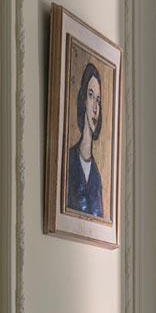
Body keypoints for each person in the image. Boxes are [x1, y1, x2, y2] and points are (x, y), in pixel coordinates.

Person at [65, 62, 104, 218]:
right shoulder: (69, 160)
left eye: (98, 100)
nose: (95, 108)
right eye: (91, 95)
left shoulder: (96, 176)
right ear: (83, 100)